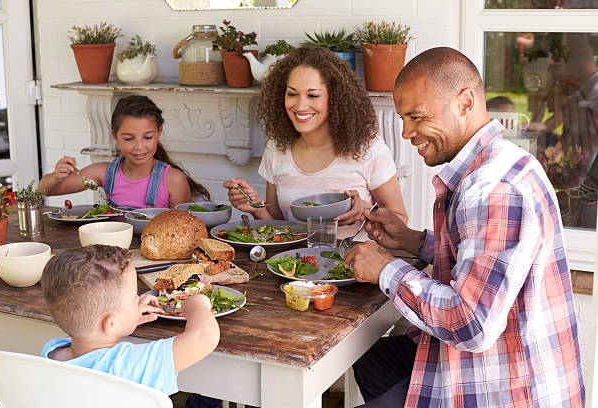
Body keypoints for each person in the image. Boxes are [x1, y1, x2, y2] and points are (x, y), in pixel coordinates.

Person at [345, 47, 584, 407]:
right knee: (372, 360)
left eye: (416, 116)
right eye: (403, 119)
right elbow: (481, 258)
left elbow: (471, 323)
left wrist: (383, 268)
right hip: (504, 365)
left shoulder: (491, 187)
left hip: (511, 389)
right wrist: (412, 241)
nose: (408, 131)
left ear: (465, 102)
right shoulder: (503, 161)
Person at [223, 45, 408, 228]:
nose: (300, 106)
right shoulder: (277, 148)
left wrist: (366, 210)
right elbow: (279, 227)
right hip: (294, 257)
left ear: (335, 98)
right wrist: (256, 207)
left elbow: (400, 221)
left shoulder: (368, 148)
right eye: (292, 94)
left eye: (313, 95)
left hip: (354, 257)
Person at [40, 245, 220, 397]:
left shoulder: (51, 353)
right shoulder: (130, 364)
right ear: (110, 323)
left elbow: (86, 320)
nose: (138, 299)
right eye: (134, 297)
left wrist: (125, 317)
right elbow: (205, 336)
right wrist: (197, 304)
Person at [38, 95, 210, 209]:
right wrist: (56, 177)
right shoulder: (104, 172)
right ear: (115, 135)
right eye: (129, 139)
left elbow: (184, 230)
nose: (139, 147)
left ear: (159, 132)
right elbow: (45, 191)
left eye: (147, 137)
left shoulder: (173, 179)